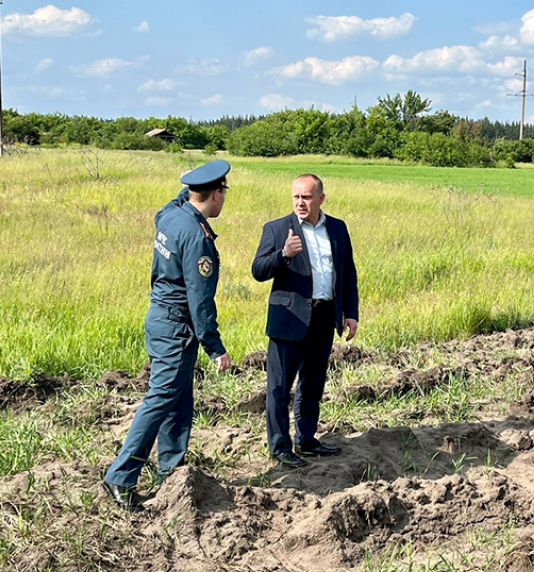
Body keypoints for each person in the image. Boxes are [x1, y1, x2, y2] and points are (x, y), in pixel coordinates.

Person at [102, 159, 233, 511]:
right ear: (216, 193)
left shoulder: (173, 214)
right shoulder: (197, 237)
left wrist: (189, 185)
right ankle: (120, 475)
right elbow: (200, 298)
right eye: (224, 192)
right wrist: (214, 346)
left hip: (159, 318)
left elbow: (175, 200)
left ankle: (170, 470)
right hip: (177, 326)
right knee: (161, 398)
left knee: (178, 398)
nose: (225, 199)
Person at [252, 173, 358, 469]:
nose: (300, 202)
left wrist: (350, 312)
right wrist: (283, 256)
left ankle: (307, 439)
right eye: (296, 196)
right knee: (278, 388)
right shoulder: (276, 228)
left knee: (312, 384)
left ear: (320, 199)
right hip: (289, 318)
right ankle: (280, 447)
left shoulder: (337, 228)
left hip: (324, 317)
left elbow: (347, 272)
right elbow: (258, 270)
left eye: (307, 197)